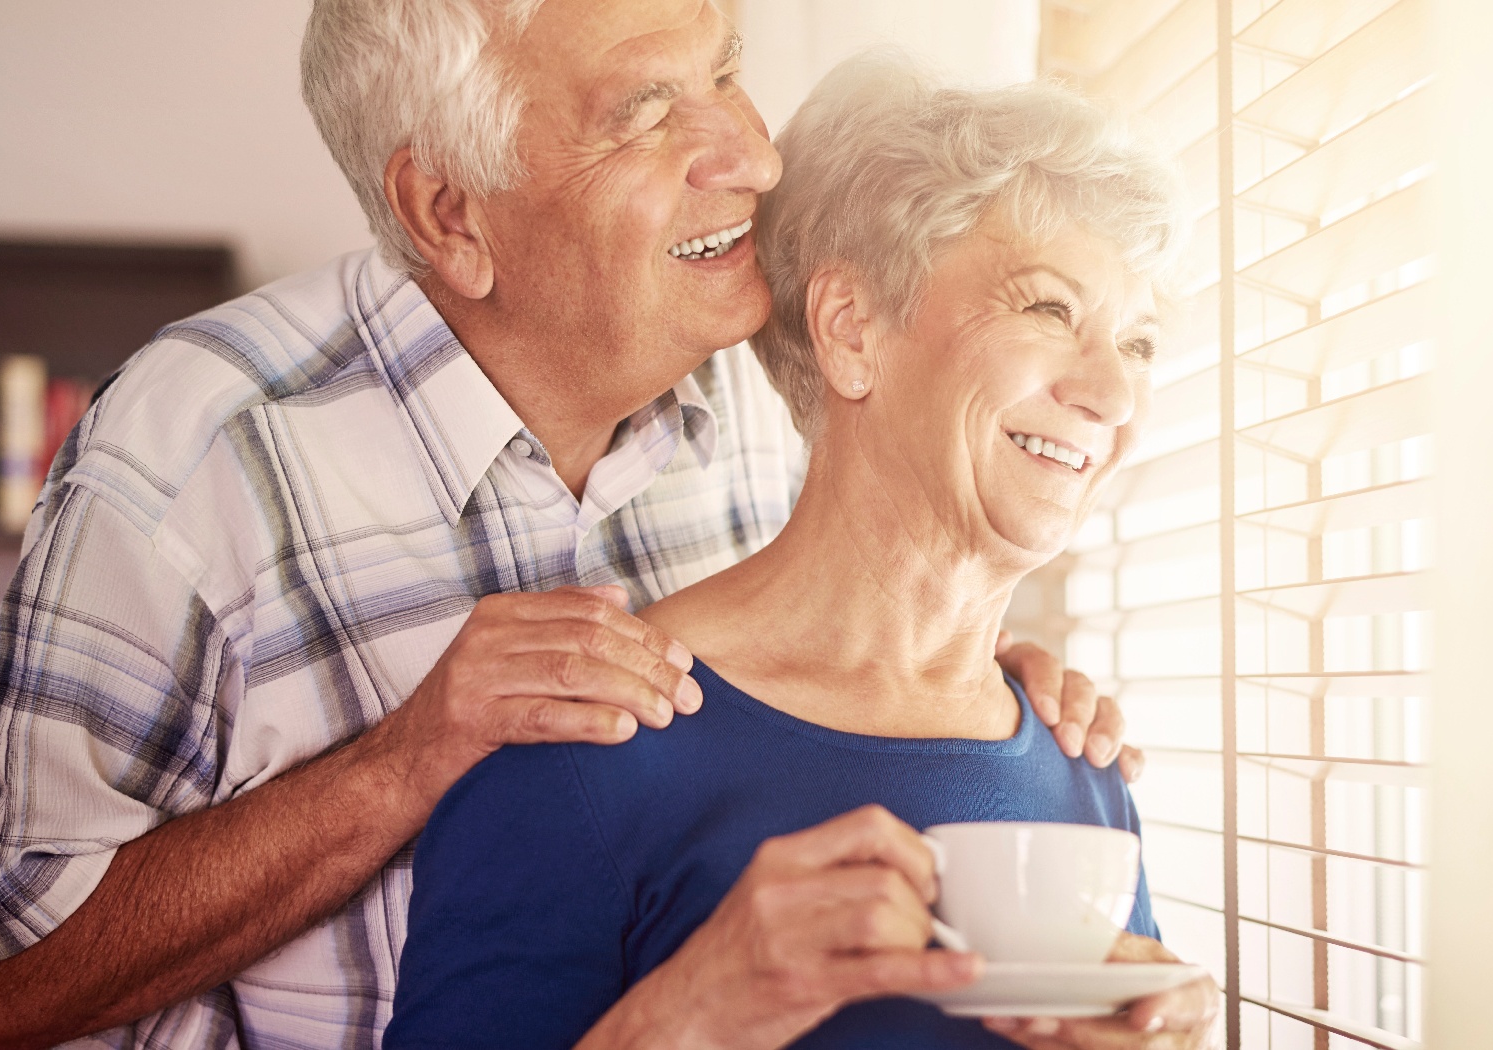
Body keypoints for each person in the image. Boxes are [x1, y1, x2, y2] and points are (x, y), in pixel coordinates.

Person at [0, 2, 1137, 1048]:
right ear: (450, 211)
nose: (753, 156)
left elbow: (828, 646)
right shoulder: (199, 447)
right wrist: (407, 760)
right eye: (647, 110)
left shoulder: (747, 382)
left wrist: (970, 696)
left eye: (723, 69)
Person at [387, 52, 1220, 1050]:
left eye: (1138, 344)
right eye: (1048, 308)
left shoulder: (1081, 767)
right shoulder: (587, 748)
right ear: (852, 328)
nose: (1113, 396)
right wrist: (692, 1018)